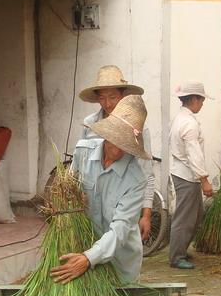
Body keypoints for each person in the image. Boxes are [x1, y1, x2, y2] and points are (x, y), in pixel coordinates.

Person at [51, 94, 151, 284]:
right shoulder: (83, 152)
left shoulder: (136, 180)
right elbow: (69, 189)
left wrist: (88, 258)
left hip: (119, 261)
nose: (120, 150)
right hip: (81, 246)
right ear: (106, 133)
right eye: (117, 139)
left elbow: (120, 229)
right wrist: (71, 199)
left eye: (127, 144)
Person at [79, 65, 156, 241]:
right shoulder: (90, 124)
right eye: (102, 98)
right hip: (91, 206)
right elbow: (80, 162)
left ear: (123, 96)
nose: (107, 104)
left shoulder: (137, 128)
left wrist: (146, 214)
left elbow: (147, 173)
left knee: (119, 247)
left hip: (122, 205)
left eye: (113, 97)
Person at [168, 81, 214, 270]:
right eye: (201, 100)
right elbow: (194, 153)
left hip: (184, 173)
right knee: (185, 217)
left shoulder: (181, 118)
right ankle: (176, 256)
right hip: (187, 175)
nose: (202, 103)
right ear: (193, 99)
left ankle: (181, 249)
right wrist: (204, 180)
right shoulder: (188, 123)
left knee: (195, 215)